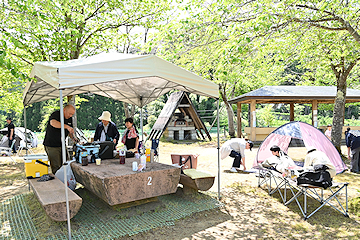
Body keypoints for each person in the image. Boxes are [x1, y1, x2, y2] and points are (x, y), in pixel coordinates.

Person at [43, 104, 78, 174]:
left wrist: (73, 137)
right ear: (64, 110)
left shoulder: (70, 119)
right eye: (70, 113)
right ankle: (58, 183)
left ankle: (66, 181)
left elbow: (69, 131)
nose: (70, 116)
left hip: (62, 144)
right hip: (52, 145)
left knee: (66, 163)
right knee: (56, 166)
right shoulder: (56, 114)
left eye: (72, 114)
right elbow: (53, 123)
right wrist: (67, 126)